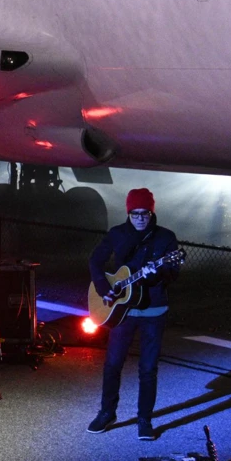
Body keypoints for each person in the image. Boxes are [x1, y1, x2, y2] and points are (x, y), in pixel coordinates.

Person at [86, 188, 179, 440]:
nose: (140, 218)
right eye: (135, 213)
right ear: (129, 212)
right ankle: (107, 413)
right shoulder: (117, 234)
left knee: (148, 368)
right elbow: (95, 261)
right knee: (113, 363)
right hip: (122, 311)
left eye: (145, 213)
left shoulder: (166, 238)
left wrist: (158, 273)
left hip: (154, 311)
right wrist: (105, 290)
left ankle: (144, 420)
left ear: (152, 212)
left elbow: (173, 273)